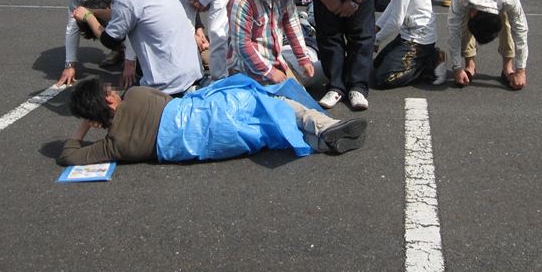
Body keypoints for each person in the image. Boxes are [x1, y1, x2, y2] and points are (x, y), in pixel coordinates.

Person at [57, 75, 368, 165]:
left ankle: (319, 143)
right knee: (274, 104)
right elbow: (173, 102)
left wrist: (87, 124)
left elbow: (69, 156)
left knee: (266, 135)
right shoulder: (136, 94)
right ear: (110, 98)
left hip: (209, 145)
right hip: (206, 113)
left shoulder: (116, 147)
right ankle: (325, 127)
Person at [73, 0, 202, 95]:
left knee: (118, 110)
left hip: (168, 85)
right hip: (193, 74)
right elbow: (130, 16)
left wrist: (88, 18)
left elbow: (110, 40)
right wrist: (95, 12)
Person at [227, 0, 314, 84]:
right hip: (247, 70)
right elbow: (242, 44)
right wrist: (269, 72)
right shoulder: (241, 1)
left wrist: (303, 58)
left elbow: (291, 22)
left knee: (301, 95)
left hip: (276, 61)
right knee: (280, 103)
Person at [57, 0, 134, 86]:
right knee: (103, 27)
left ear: (110, 6)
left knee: (130, 21)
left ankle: (127, 53)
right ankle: (118, 50)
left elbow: (131, 26)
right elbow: (72, 27)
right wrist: (69, 65)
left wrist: (130, 63)